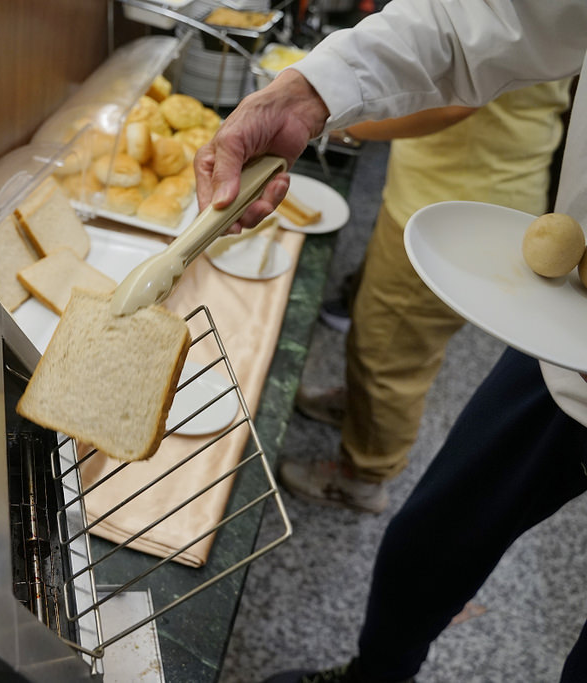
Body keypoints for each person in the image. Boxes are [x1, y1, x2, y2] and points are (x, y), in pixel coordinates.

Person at [192, 1, 587, 681]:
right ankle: (376, 674)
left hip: (502, 230)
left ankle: (364, 475)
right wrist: (310, 91)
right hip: (571, 332)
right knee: (431, 539)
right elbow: (502, 15)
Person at [283, 81, 571, 514]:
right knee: (380, 332)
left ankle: (363, 477)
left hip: (454, 210)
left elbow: (456, 102)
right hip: (447, 191)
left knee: (390, 356)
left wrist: (342, 126)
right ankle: (360, 408)